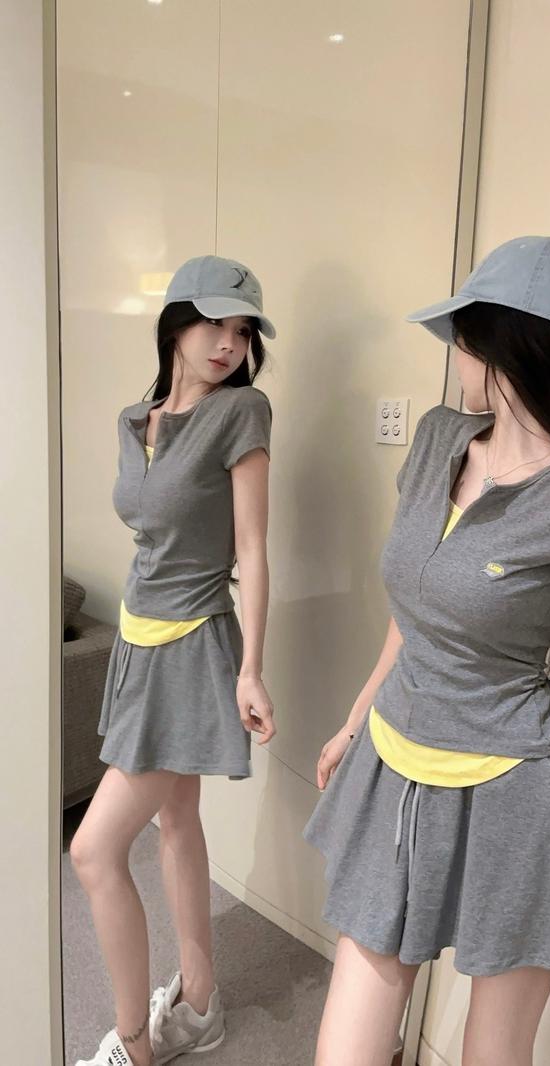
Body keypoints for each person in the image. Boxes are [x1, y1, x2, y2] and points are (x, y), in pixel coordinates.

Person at [303, 236, 550, 1066]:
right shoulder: (437, 438)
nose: (454, 354)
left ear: (504, 343)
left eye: (461, 336)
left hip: (517, 795)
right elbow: (412, 613)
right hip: (393, 767)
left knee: (491, 1056)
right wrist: (355, 721)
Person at [71, 256, 277, 1066]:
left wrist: (250, 668)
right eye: (215, 323)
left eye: (242, 331)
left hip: (193, 648)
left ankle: (134, 1045)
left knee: (91, 851)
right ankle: (198, 1003)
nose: (228, 343)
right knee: (176, 819)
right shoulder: (136, 419)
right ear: (176, 322)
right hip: (137, 638)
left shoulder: (242, 412)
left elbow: (253, 549)